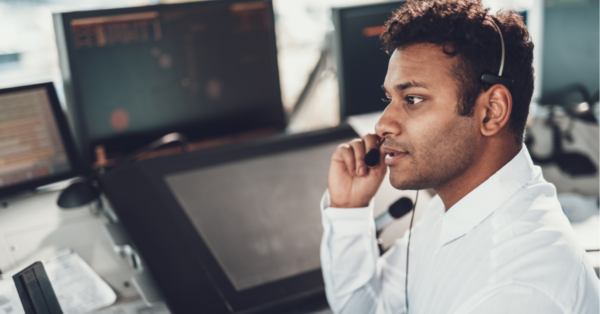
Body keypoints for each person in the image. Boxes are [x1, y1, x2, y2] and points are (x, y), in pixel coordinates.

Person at [320, 0, 600, 313]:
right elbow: (371, 308)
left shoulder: (515, 291)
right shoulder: (453, 206)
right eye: (390, 99)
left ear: (492, 111)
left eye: (412, 99)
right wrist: (348, 211)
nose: (383, 124)